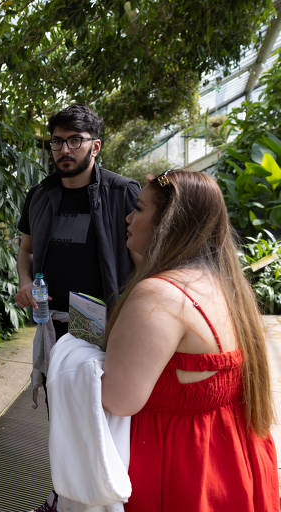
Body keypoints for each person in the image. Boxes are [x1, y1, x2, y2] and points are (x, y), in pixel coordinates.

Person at [102, 170, 279, 510]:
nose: (128, 217)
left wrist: (73, 358)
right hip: (230, 463)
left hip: (178, 473)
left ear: (168, 222)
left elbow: (118, 400)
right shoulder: (225, 285)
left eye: (139, 208)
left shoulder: (159, 295)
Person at [15, 104, 140, 401]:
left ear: (95, 146)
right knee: (60, 408)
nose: (64, 149)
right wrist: (24, 281)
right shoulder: (40, 196)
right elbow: (26, 251)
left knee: (105, 414)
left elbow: (147, 262)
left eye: (75, 140)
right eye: (57, 142)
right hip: (56, 323)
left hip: (109, 327)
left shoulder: (123, 193)